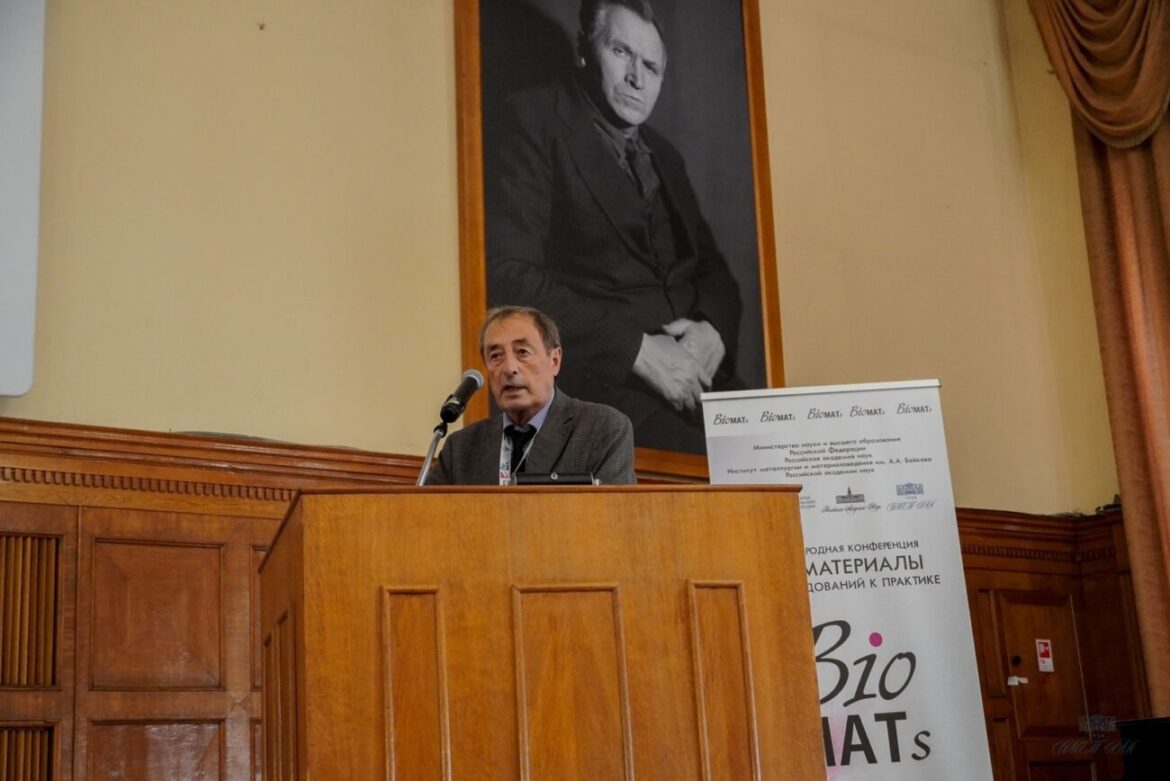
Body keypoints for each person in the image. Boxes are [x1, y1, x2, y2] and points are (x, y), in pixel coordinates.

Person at [485, 0, 743, 454]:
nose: (636, 78)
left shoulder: (666, 157)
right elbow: (511, 277)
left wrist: (712, 331)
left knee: (800, 453)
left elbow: (714, 271)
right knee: (729, 466)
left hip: (702, 383)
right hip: (607, 394)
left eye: (652, 67)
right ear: (586, 50)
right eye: (621, 52)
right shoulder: (532, 119)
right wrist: (637, 351)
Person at [427, 306, 636, 486]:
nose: (509, 368)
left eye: (522, 352)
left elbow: (613, 516)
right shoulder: (460, 449)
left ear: (555, 361)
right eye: (496, 356)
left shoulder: (602, 428)